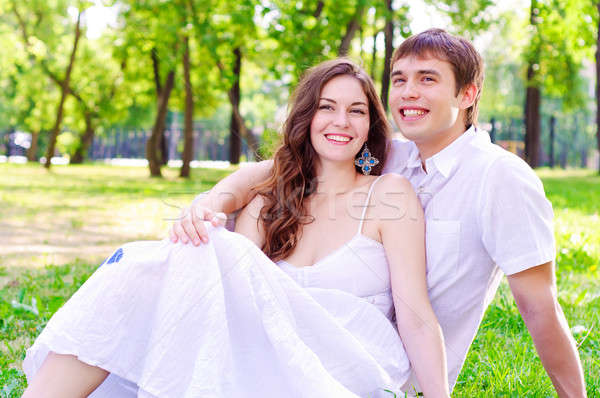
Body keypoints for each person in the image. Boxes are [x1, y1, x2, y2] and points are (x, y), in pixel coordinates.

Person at [170, 29, 587, 396]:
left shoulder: (500, 179)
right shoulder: (391, 157)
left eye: (428, 79)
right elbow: (282, 167)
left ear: (467, 94)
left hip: (388, 368)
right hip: (311, 338)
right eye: (400, 79)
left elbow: (539, 307)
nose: (408, 92)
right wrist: (213, 199)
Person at [22, 59, 451, 398]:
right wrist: (207, 205)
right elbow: (231, 299)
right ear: (307, 118)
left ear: (370, 126)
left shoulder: (389, 194)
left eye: (356, 111)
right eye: (327, 107)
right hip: (268, 357)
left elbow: (414, 313)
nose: (341, 121)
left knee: (187, 252)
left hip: (348, 360)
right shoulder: (269, 200)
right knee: (155, 262)